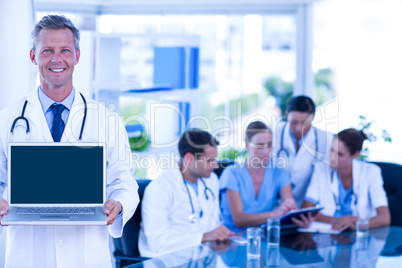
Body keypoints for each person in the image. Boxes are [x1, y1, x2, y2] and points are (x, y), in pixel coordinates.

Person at [0, 15, 139, 268]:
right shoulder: (7, 119)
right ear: (33, 56)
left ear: (77, 56)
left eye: (65, 50)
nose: (56, 59)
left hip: (86, 257)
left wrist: (118, 204)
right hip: (28, 258)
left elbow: (125, 183)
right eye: (47, 51)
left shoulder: (107, 120)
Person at [138, 129, 233, 258]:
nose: (216, 165)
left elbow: (213, 224)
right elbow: (157, 242)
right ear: (189, 158)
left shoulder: (211, 181)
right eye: (210, 160)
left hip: (203, 257)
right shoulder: (159, 189)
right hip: (169, 261)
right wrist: (203, 237)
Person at [297, 128, 390, 231]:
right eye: (332, 150)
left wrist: (357, 224)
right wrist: (339, 221)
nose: (332, 158)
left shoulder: (371, 172)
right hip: (330, 236)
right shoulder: (321, 169)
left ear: (355, 155)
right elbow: (306, 210)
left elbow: (384, 218)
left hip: (361, 238)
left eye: (340, 154)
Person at [219, 121, 297, 233]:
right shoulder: (231, 174)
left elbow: (290, 207)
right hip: (231, 240)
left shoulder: (279, 174)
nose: (266, 152)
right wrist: (274, 214)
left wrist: (298, 217)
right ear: (247, 145)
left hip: (262, 239)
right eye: (259, 146)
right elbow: (239, 219)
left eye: (269, 145)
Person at [272, 95, 334, 207]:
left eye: (305, 123)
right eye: (294, 122)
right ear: (286, 114)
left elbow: (324, 178)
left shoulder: (325, 140)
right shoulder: (274, 133)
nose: (298, 128)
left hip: (307, 206)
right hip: (275, 205)